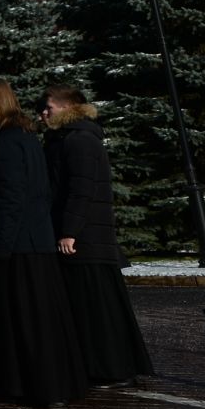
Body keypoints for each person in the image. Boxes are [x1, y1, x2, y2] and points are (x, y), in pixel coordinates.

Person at [0, 78, 88, 407]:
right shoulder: (26, 136)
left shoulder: (6, 141)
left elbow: (11, 198)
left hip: (20, 244)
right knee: (44, 318)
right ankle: (54, 384)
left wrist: (1, 245)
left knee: (28, 319)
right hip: (36, 239)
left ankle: (40, 386)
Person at [42, 85, 153, 387]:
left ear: (67, 108)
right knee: (93, 308)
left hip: (87, 240)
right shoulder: (70, 138)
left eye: (49, 107)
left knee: (98, 309)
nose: (44, 112)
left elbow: (81, 189)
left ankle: (111, 368)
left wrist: (68, 232)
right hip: (86, 238)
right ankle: (103, 366)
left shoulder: (80, 140)